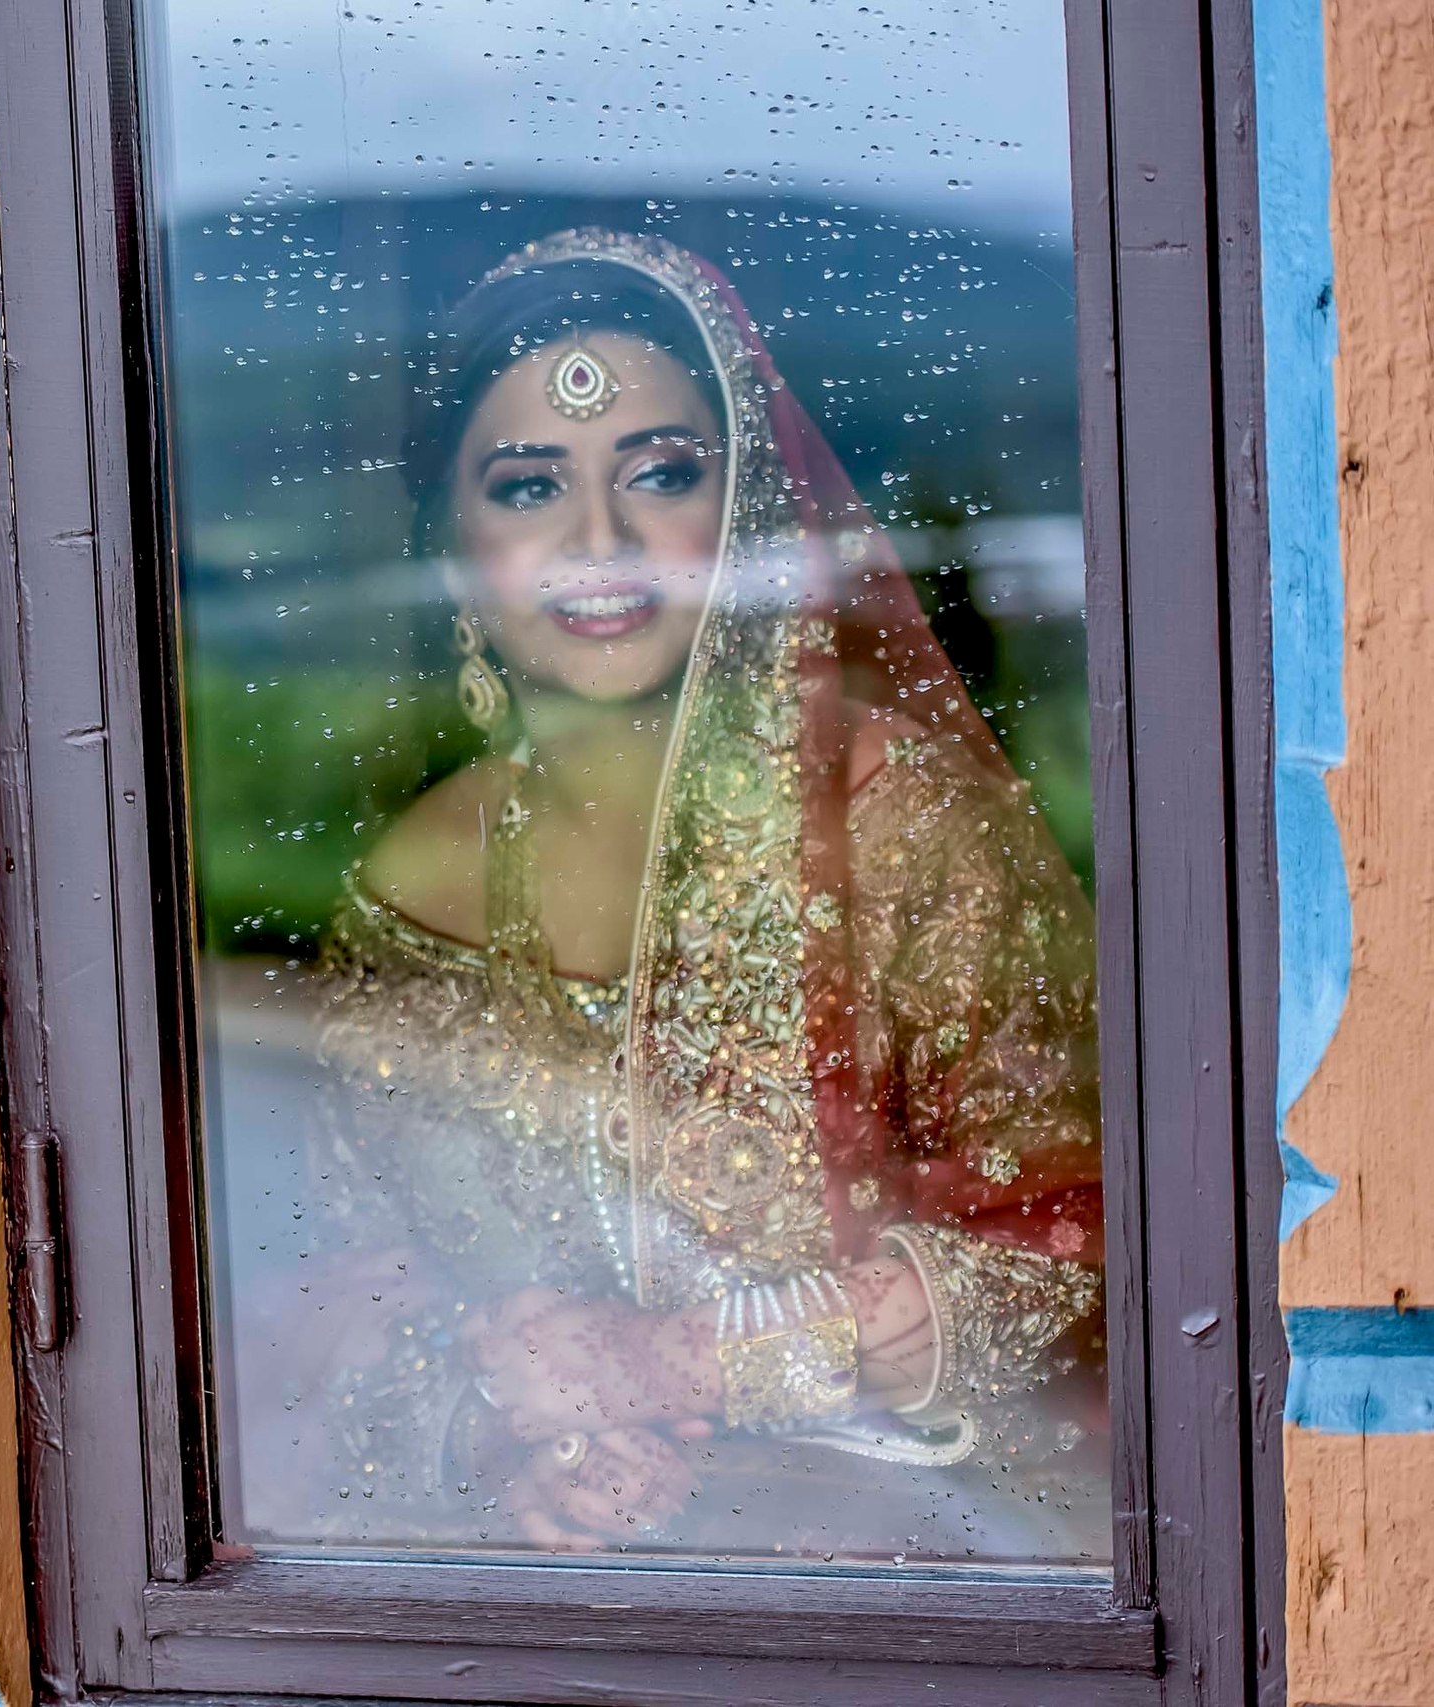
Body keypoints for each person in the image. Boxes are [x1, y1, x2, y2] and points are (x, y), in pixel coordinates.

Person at [242, 228, 1106, 1561]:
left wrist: (689, 1367)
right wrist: (509, 1444)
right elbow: (355, 1304)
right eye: (529, 487)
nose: (601, 540)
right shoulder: (414, 883)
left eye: (659, 474)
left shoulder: (892, 818)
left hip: (931, 1571)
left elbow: (1076, 1254)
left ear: (747, 502)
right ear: (454, 538)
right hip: (547, 1583)